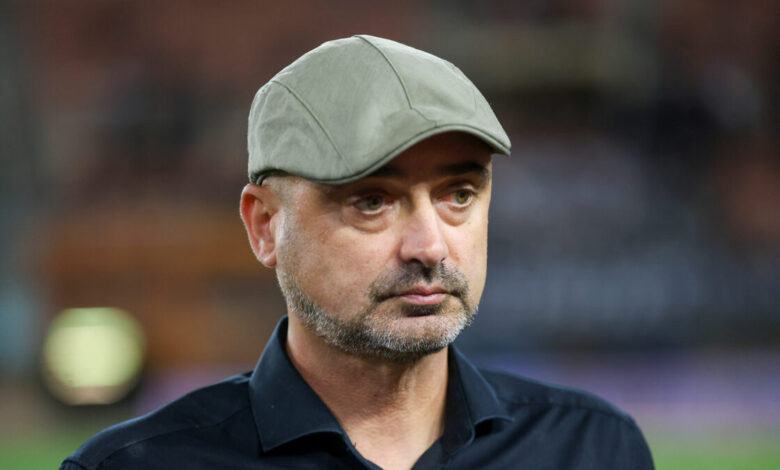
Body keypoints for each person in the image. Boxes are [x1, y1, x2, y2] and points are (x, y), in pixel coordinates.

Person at [61, 35, 654, 470]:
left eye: (459, 195)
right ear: (265, 226)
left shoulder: (595, 450)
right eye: (372, 202)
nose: (430, 246)